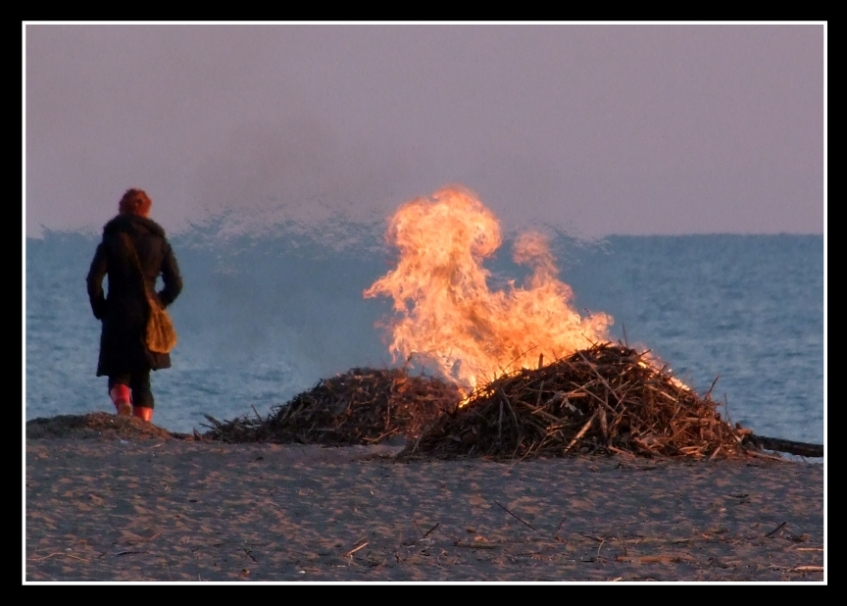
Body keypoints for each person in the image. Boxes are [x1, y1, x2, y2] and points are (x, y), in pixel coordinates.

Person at [86, 188, 183, 423]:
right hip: (148, 314)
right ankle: (143, 425)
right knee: (142, 376)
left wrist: (101, 308)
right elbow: (176, 284)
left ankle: (123, 405)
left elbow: (93, 280)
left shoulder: (112, 240)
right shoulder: (159, 243)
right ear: (146, 211)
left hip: (118, 311)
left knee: (118, 372)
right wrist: (160, 303)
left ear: (121, 209)